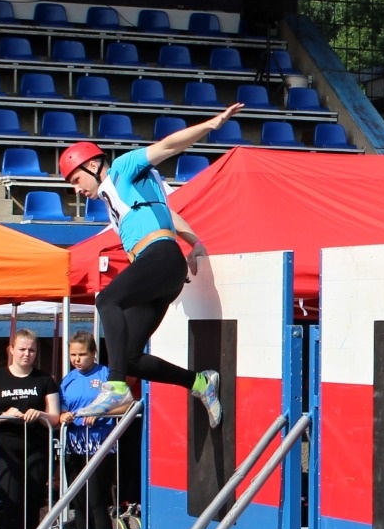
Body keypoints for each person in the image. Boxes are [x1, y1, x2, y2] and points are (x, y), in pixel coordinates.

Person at [57, 103, 244, 425]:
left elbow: (168, 146)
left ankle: (115, 386)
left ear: (91, 166)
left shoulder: (121, 169)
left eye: (76, 180)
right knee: (128, 358)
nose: (77, 190)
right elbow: (166, 213)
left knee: (107, 299)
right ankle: (200, 382)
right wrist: (195, 241)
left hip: (160, 258)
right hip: (162, 270)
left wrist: (211, 125)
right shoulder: (117, 201)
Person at [0, 330, 60, 529]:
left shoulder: (45, 380)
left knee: (33, 498)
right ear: (11, 350)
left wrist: (41, 415)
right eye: (22, 349)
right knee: (11, 498)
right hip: (7, 448)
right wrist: (5, 415)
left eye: (32, 350)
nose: (27, 354)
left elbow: (54, 417)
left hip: (36, 447)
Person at [57, 332, 123, 529]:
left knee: (97, 502)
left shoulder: (106, 375)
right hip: (74, 447)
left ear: (93, 353)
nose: (76, 359)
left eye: (82, 354)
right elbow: (61, 408)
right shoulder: (68, 380)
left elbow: (127, 403)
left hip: (100, 446)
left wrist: (101, 410)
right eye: (73, 354)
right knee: (79, 503)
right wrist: (63, 415)